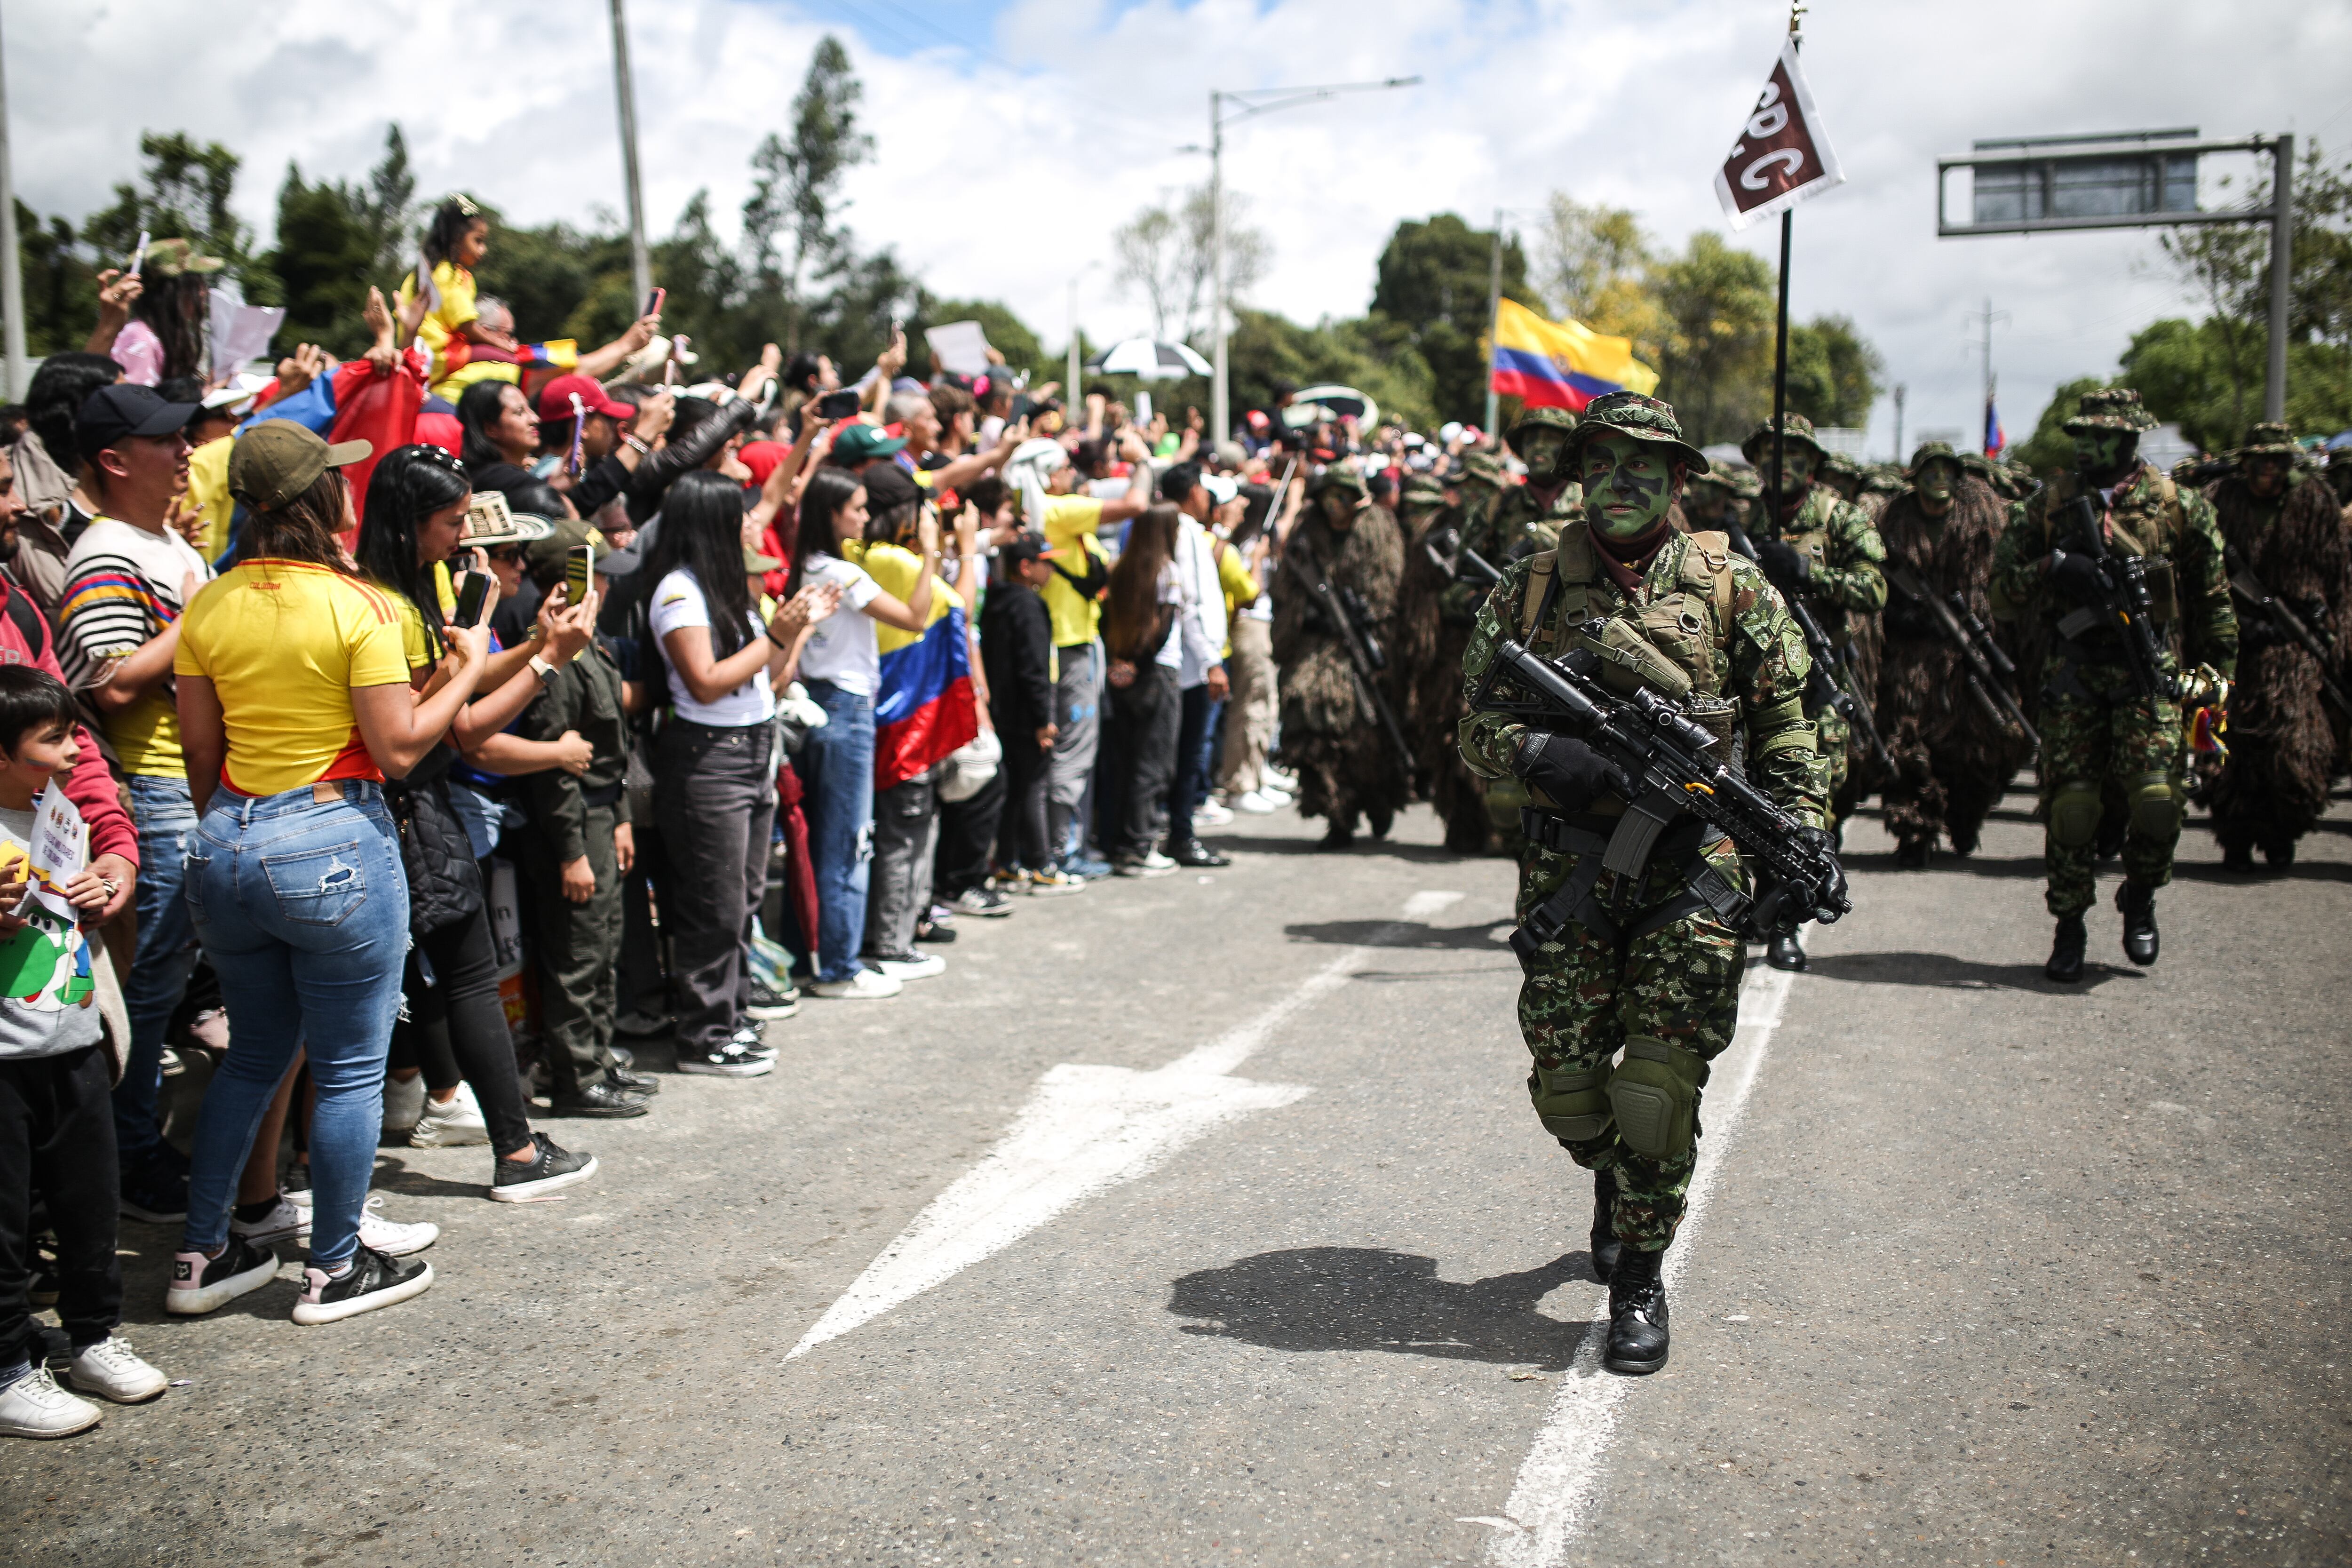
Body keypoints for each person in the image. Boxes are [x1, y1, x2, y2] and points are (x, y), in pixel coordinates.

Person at [1457, 391, 1837, 1377]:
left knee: (1657, 1089)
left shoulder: (1731, 588)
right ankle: (1620, 1178)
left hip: (1695, 868)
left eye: (1641, 466)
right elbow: (1473, 721)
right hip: (1571, 869)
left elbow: (1790, 723)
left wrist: (1799, 833)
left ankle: (1639, 1275)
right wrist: (1540, 752)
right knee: (1570, 1091)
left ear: (1676, 480)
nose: (1618, 483)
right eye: (1600, 463)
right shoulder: (1534, 585)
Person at [168, 423, 473, 1325]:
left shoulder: (209, 602)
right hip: (333, 837)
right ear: (318, 499)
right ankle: (335, 1265)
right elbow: (401, 746)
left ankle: (202, 1254)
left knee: (253, 1056)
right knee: (347, 1070)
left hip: (226, 837)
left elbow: (200, 751)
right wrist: (465, 670)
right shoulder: (360, 604)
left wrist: (235, 829)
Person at [352, 442, 608, 1188]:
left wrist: (535, 643)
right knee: (464, 977)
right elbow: (461, 727)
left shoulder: (414, 585)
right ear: (409, 522)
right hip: (407, 805)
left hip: (412, 805)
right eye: (454, 522)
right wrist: (547, 661)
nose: (464, 538)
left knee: (440, 978)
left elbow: (456, 682)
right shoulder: (385, 603)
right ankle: (517, 1152)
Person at [1988, 389, 2236, 982]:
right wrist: (2053, 567)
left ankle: (2141, 893)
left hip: (2149, 674)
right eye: (2080, 435)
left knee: (2157, 801)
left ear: (2129, 440)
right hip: (2073, 673)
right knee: (2071, 806)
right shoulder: (2046, 506)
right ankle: (2069, 924)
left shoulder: (2176, 506)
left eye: (2099, 436)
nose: (2086, 446)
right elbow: (1999, 594)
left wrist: (2215, 690)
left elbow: (2213, 603)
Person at [54, 385, 215, 1222]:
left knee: (167, 974)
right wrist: (201, 616)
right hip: (156, 786)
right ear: (114, 461)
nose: (186, 449)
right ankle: (131, 1152)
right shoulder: (103, 555)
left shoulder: (158, 542)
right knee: (150, 981)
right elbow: (111, 685)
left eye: (185, 435)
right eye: (166, 439)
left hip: (191, 781)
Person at [0, 667, 168, 1437]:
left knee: (90, 1202)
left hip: (72, 1041)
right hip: (8, 1060)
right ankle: (10, 1367)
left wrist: (100, 887)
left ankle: (95, 1336)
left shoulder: (59, 815)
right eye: (55, 738)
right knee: (7, 1221)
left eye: (74, 733)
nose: (76, 750)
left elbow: (76, 905)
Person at [650, 471, 836, 1059]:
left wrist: (796, 629)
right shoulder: (679, 592)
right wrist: (778, 634)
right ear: (711, 522)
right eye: (740, 514)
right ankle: (703, 1035)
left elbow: (770, 677)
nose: (751, 523)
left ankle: (729, 1016)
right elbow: (705, 683)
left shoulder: (727, 586)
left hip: (753, 749)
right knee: (716, 903)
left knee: (743, 898)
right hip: (710, 758)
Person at [1739, 411, 1887, 969]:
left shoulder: (1840, 518)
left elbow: (1873, 589)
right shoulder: (1741, 521)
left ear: (1813, 462)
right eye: (1769, 454)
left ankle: (1788, 920)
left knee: (1809, 799)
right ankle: (1763, 896)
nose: (1781, 464)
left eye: (1794, 454)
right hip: (1751, 680)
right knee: (1749, 797)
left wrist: (1807, 573)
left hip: (1816, 681)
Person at [513, 522, 652, 1114]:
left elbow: (610, 747)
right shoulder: (555, 657)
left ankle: (598, 1057)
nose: (606, 588)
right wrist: (571, 851)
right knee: (577, 953)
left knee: (603, 945)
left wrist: (619, 817)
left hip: (600, 816)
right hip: (572, 824)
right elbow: (555, 769)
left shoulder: (587, 646)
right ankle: (576, 1076)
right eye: (596, 578)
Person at [2198, 422, 2348, 872]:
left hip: (2292, 644)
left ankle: (2282, 831)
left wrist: (2322, 618)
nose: (2270, 469)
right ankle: (2235, 835)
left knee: (2294, 744)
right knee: (2223, 745)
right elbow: (2197, 570)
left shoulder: (2314, 502)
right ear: (2245, 463)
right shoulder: (2219, 501)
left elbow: (2336, 573)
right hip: (2230, 642)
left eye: (2279, 460)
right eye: (2261, 461)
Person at [1873, 442, 2024, 867]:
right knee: (1908, 738)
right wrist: (1902, 617)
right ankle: (1915, 828)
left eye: (1947, 471)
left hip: (1966, 652)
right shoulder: (1895, 521)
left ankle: (1964, 816)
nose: (1939, 479)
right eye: (1930, 470)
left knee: (1975, 744)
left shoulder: (1981, 519)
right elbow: (1880, 576)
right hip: (1911, 656)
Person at [1012, 436, 1151, 876]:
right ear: (1048, 477)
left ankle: (1067, 846)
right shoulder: (1057, 510)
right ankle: (1063, 850)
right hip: (1070, 648)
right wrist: (1143, 462)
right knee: (1073, 751)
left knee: (1077, 750)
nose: (1072, 474)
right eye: (1064, 468)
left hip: (1078, 643)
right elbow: (1136, 504)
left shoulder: (1051, 514)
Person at [1271, 466, 1408, 847]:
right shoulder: (1307, 534)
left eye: (1343, 496)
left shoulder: (1377, 528)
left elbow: (1388, 584)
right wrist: (1308, 614)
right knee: (1312, 722)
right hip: (1316, 647)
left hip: (1366, 642)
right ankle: (1337, 814)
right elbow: (1287, 586)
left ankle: (1378, 799)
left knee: (1369, 733)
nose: (1336, 505)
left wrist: (1369, 616)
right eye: (1329, 496)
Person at [983, 533, 1074, 891]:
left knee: (1012, 789)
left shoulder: (996, 599)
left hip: (1002, 712)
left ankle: (1008, 862)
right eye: (1045, 562)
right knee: (1034, 786)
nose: (1051, 569)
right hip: (1025, 715)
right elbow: (1034, 667)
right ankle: (1041, 864)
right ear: (1025, 567)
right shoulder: (1028, 605)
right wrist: (1042, 719)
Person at [1099, 503, 1187, 876]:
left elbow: (1107, 619)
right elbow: (1162, 629)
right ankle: (1139, 845)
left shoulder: (1121, 568)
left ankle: (1119, 842)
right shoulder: (1168, 572)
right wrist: (1138, 662)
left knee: (1126, 760)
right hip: (1156, 673)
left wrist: (1120, 661)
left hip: (1123, 673)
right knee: (1154, 762)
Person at [1159, 464, 1232, 869]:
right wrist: (1211, 663)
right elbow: (1191, 603)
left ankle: (1180, 831)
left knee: (1190, 752)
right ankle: (1181, 835)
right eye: (1204, 490)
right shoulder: (1185, 532)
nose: (1208, 498)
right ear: (1192, 492)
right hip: (1194, 665)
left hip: (1195, 662)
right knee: (1190, 753)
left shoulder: (1189, 531)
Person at [105, 241, 221, 388]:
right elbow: (138, 401)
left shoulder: (161, 337)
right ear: (173, 292)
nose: (203, 293)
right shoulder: (141, 341)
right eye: (196, 285)